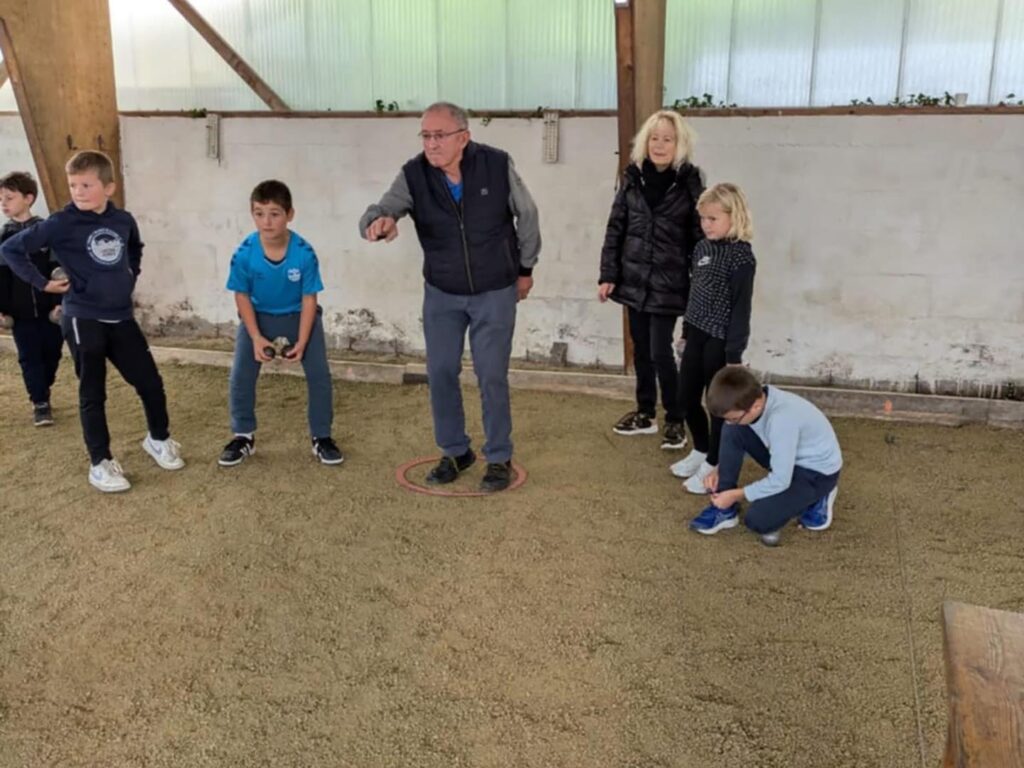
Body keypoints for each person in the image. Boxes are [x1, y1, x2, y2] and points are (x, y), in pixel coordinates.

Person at [358, 101, 540, 493]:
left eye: (439, 135)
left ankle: (498, 456)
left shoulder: (496, 164)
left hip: (495, 289)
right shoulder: (413, 174)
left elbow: (527, 215)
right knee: (440, 372)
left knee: (491, 375)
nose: (431, 143)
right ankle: (456, 451)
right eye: (425, 135)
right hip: (442, 292)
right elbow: (382, 208)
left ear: (464, 137)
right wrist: (377, 222)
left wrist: (525, 270)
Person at [0, 150, 184, 492]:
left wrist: (130, 276)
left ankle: (158, 439)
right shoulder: (60, 222)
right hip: (83, 317)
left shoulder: (123, 220)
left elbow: (134, 249)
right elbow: (10, 250)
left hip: (121, 317)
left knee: (149, 382)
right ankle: (100, 463)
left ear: (109, 187)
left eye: (86, 184)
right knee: (93, 392)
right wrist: (43, 284)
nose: (78, 191)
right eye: (73, 185)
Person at [599, 110, 704, 450]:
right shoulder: (631, 178)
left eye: (668, 139)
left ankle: (676, 417)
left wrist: (701, 281)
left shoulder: (690, 182)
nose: (660, 145)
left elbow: (700, 237)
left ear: (680, 144)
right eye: (655, 138)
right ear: (646, 142)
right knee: (640, 348)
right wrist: (608, 275)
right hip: (633, 281)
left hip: (670, 283)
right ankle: (645, 412)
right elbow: (616, 228)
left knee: (661, 351)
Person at [218, 180, 343, 468]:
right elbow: (242, 295)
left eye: (274, 213)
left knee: (319, 375)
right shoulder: (244, 253)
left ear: (290, 214)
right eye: (259, 213)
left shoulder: (304, 253)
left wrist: (301, 341)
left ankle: (322, 437)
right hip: (258, 319)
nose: (266, 221)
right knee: (241, 375)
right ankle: (243, 436)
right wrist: (256, 336)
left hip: (300, 318)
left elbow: (310, 298)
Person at [689, 366, 842, 546]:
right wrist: (719, 469)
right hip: (789, 457)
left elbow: (780, 480)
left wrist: (737, 495)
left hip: (817, 473)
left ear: (756, 406)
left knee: (758, 520)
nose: (728, 422)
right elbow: (740, 431)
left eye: (732, 417)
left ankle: (820, 494)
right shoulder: (756, 397)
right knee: (733, 431)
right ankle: (725, 510)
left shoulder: (781, 419)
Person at [670, 183, 756, 493]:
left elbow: (741, 308)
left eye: (713, 219)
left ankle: (715, 462)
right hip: (697, 333)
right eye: (703, 219)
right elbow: (695, 294)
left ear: (734, 217)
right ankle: (701, 450)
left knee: (717, 404)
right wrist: (685, 332)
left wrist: (734, 354)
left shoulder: (742, 257)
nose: (706, 225)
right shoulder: (702, 249)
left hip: (721, 341)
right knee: (685, 397)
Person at [0, 171, 63, 426]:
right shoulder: (3, 238)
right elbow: (1, 278)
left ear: (29, 198)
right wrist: (2, 309)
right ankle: (40, 402)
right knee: (28, 357)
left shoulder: (46, 233)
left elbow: (59, 270)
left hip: (50, 310)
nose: (3, 204)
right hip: (20, 313)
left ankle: (43, 389)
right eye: (1, 199)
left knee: (52, 354)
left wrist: (60, 304)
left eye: (9, 198)